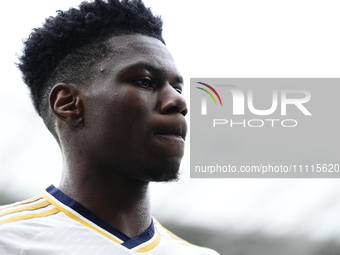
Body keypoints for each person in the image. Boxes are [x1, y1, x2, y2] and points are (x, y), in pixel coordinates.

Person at [0, 0, 219, 254]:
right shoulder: (9, 241)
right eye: (145, 82)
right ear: (68, 104)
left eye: (177, 88)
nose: (179, 102)